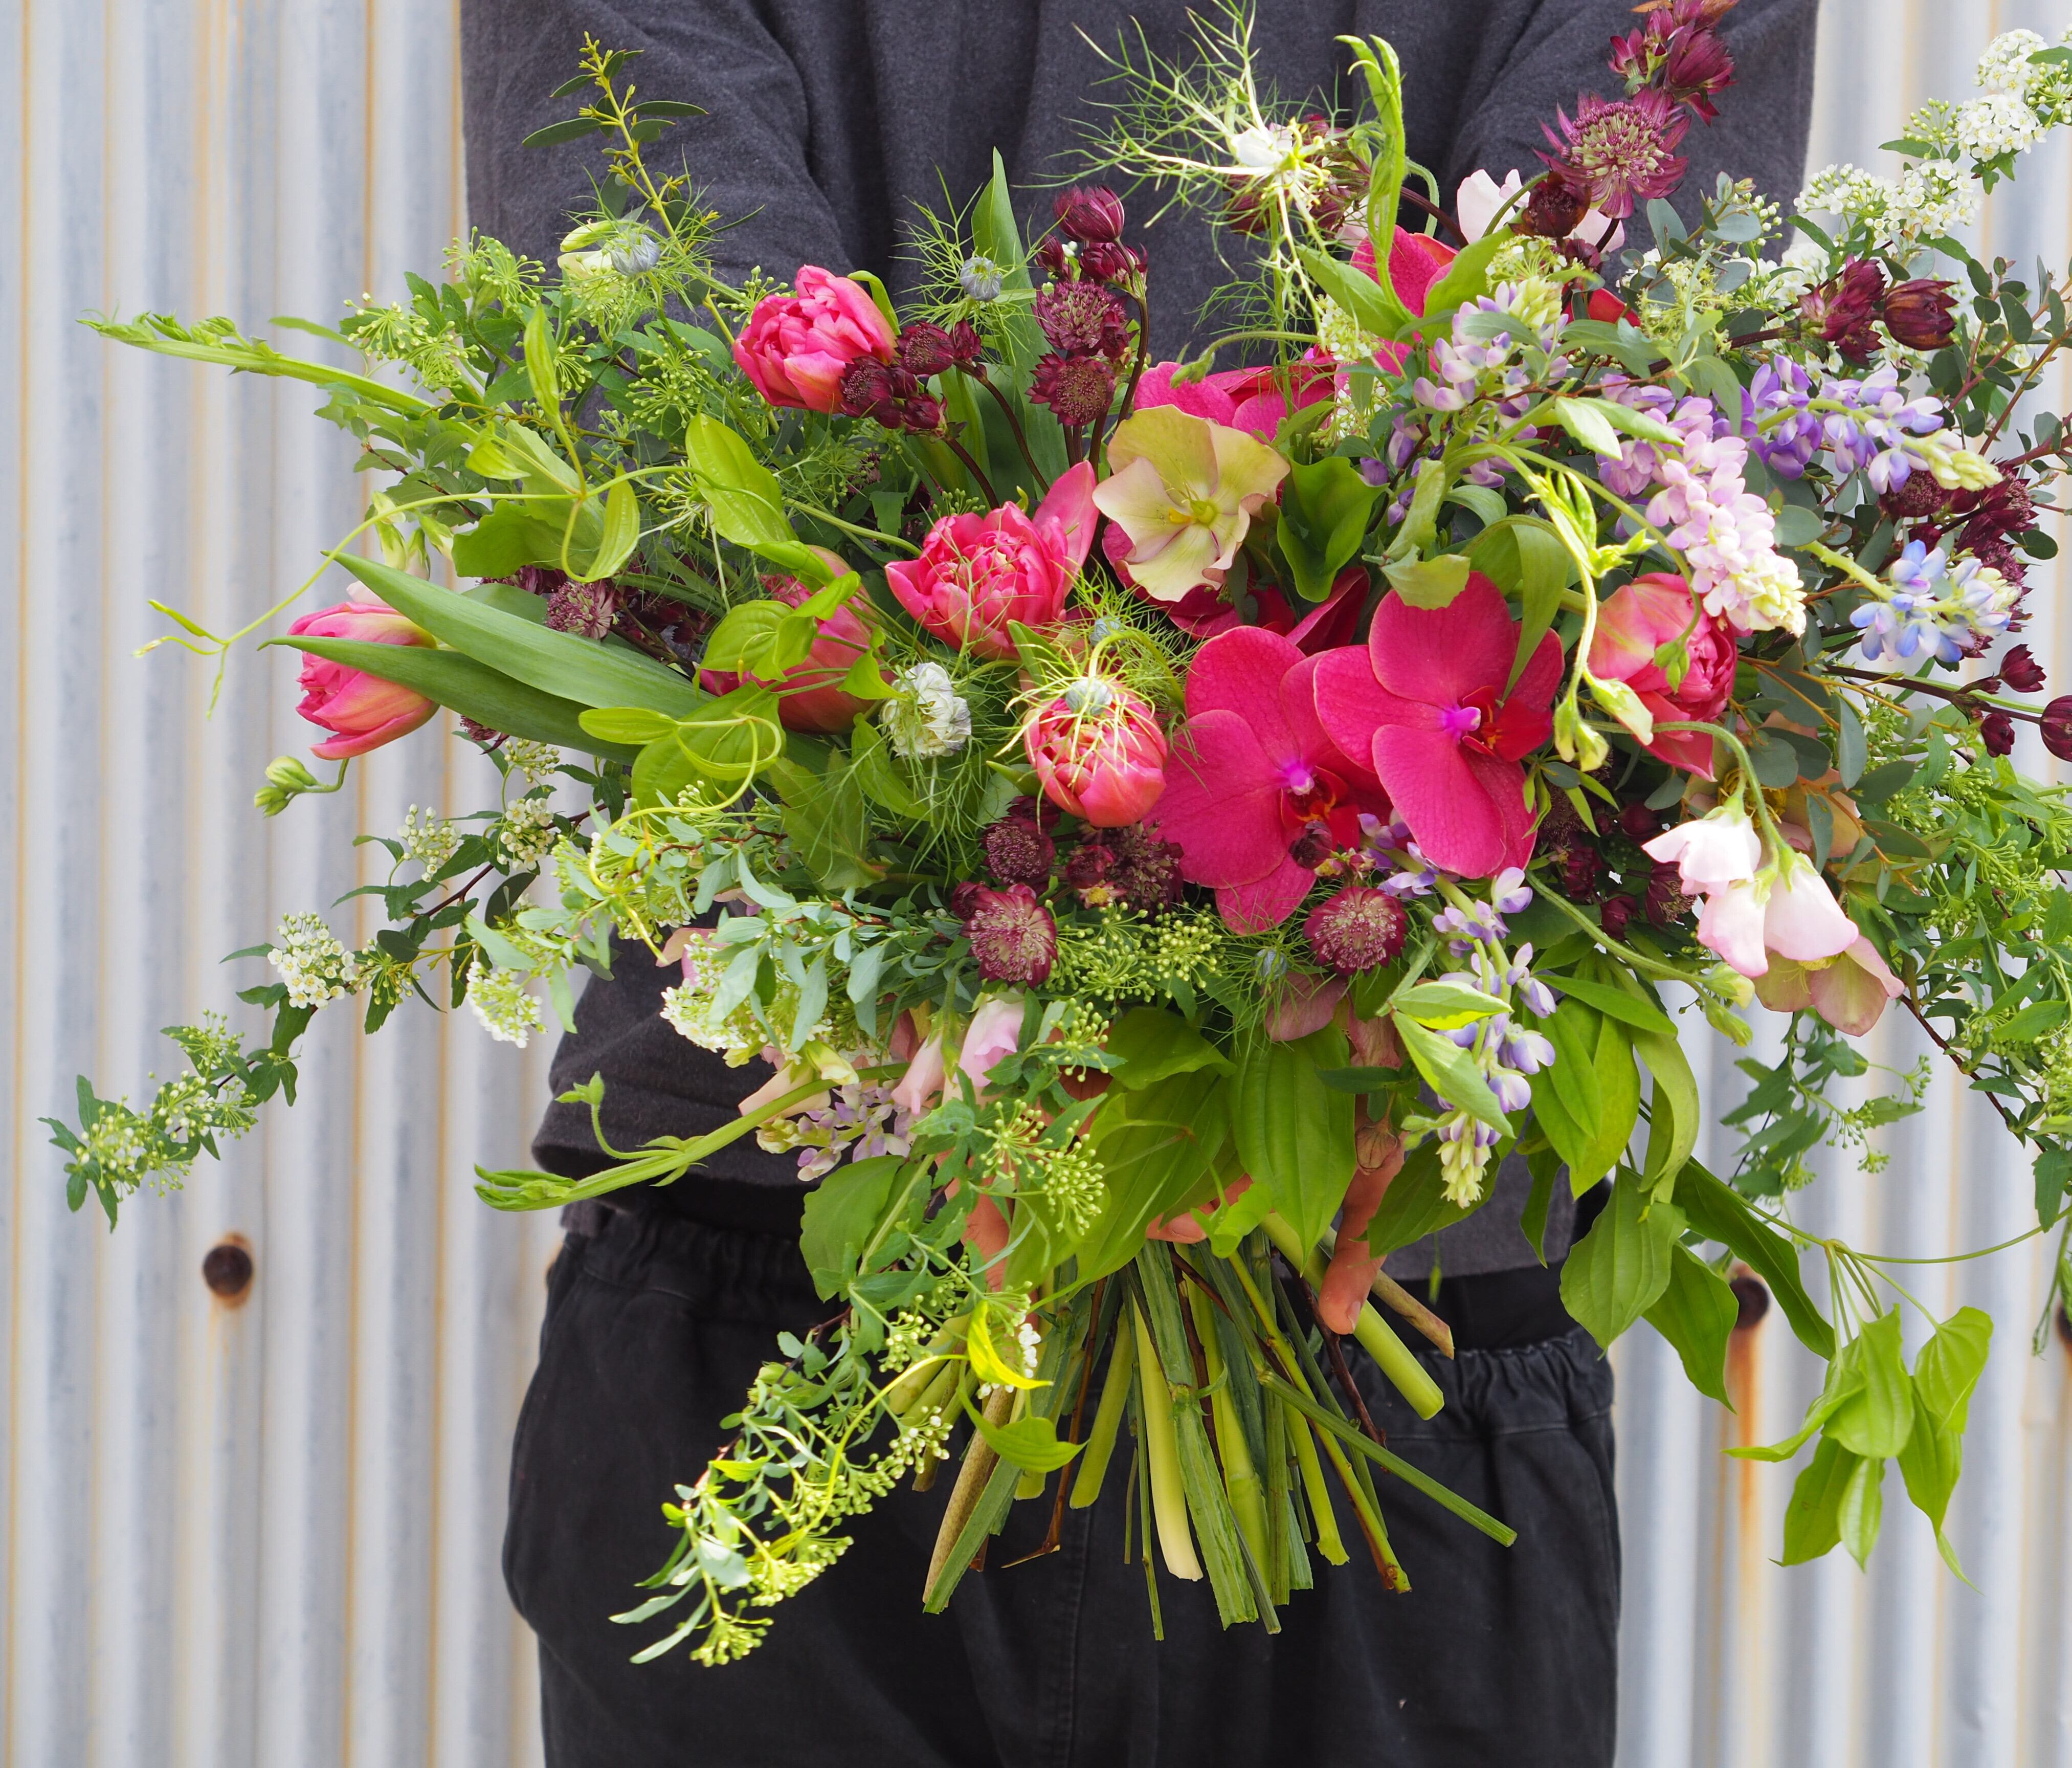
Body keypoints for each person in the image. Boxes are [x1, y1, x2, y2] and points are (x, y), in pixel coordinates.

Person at [463, 5, 1818, 1763]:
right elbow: (668, 382)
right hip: (820, 1250)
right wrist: (1117, 1011)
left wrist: (1210, 1028)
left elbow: (1605, 418)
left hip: (1380, 1261)